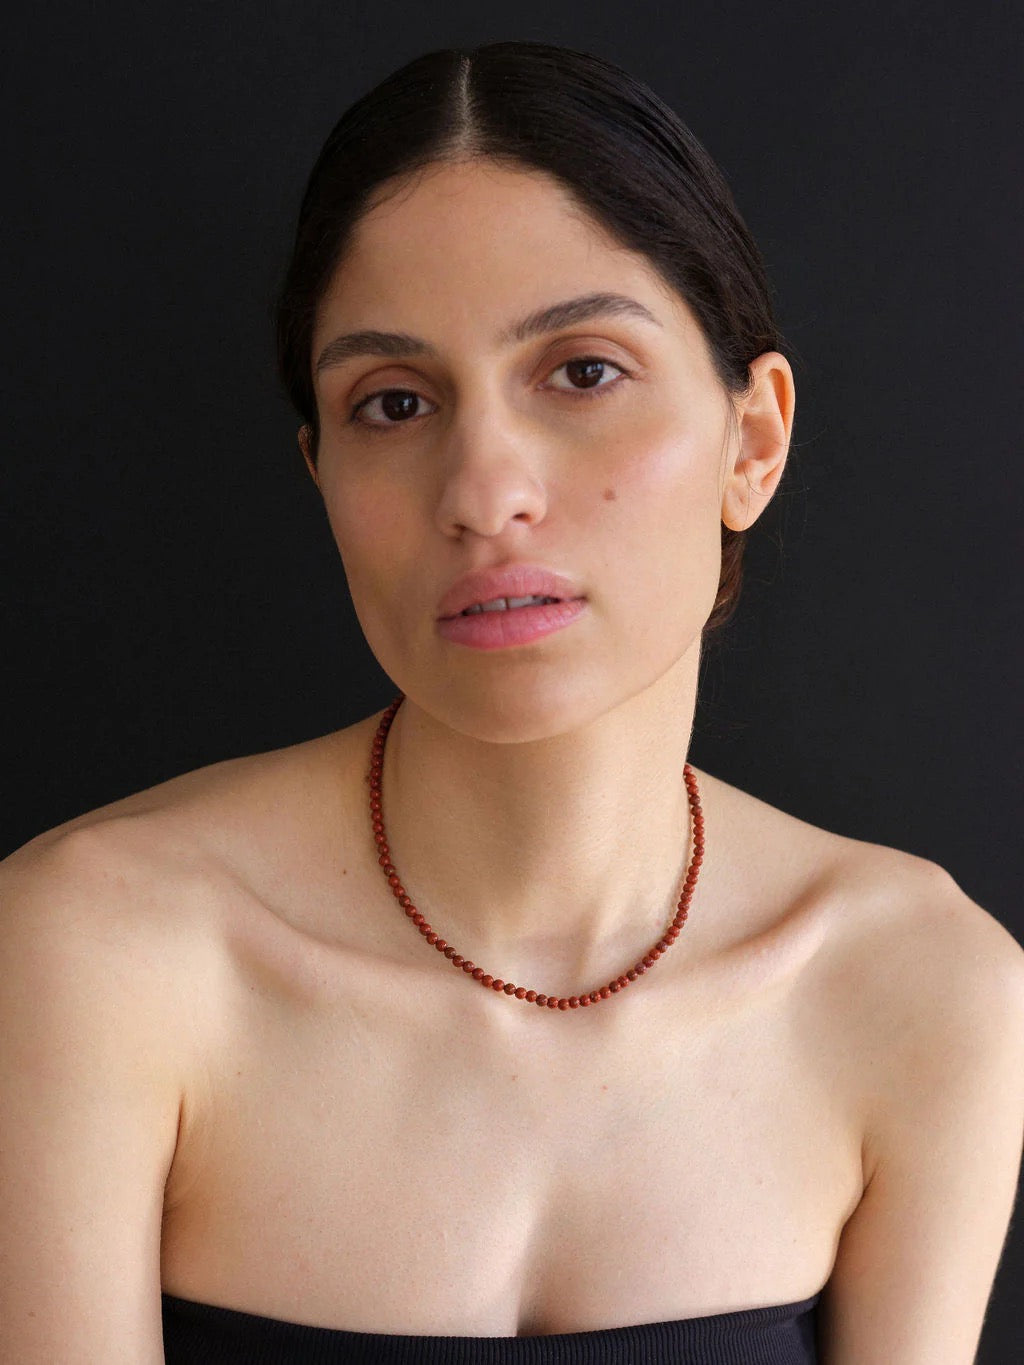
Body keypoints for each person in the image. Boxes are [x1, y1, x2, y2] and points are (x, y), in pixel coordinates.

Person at [1, 39, 1022, 1365]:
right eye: (394, 402)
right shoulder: (90, 955)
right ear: (321, 472)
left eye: (583, 371)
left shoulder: (927, 990)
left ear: (753, 440)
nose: (485, 493)